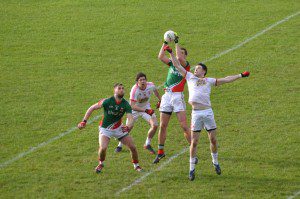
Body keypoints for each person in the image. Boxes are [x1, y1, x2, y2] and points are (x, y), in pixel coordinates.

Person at [163, 45, 250, 181]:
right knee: (194, 142)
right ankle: (191, 169)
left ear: (203, 72)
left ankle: (215, 162)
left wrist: (240, 75)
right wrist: (171, 53)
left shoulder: (209, 81)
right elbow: (177, 65)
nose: (195, 69)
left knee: (213, 140)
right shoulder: (190, 77)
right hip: (196, 114)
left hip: (208, 112)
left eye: (198, 68)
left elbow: (226, 79)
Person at [77, 83, 143, 173]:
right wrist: (84, 121)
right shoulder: (107, 101)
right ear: (114, 91)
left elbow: (130, 118)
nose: (121, 90)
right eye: (119, 88)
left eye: (123, 88)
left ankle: (136, 166)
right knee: (103, 148)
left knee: (133, 147)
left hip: (119, 129)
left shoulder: (126, 104)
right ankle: (101, 163)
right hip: (105, 129)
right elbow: (92, 108)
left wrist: (128, 127)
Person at [153, 33, 191, 164]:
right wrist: (165, 42)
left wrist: (176, 42)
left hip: (177, 97)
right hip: (167, 96)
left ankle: (193, 149)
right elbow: (160, 56)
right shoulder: (171, 64)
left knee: (184, 126)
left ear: (185, 56)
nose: (178, 53)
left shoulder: (185, 66)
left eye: (181, 52)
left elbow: (179, 58)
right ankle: (160, 152)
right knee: (163, 125)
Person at [114, 72, 161, 154]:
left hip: (146, 108)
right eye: (140, 80)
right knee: (128, 128)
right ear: (137, 82)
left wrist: (160, 100)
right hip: (134, 110)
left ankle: (147, 144)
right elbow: (132, 106)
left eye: (144, 79)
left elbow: (155, 91)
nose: (143, 81)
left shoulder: (151, 85)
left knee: (155, 125)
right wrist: (146, 111)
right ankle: (120, 145)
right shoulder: (134, 90)